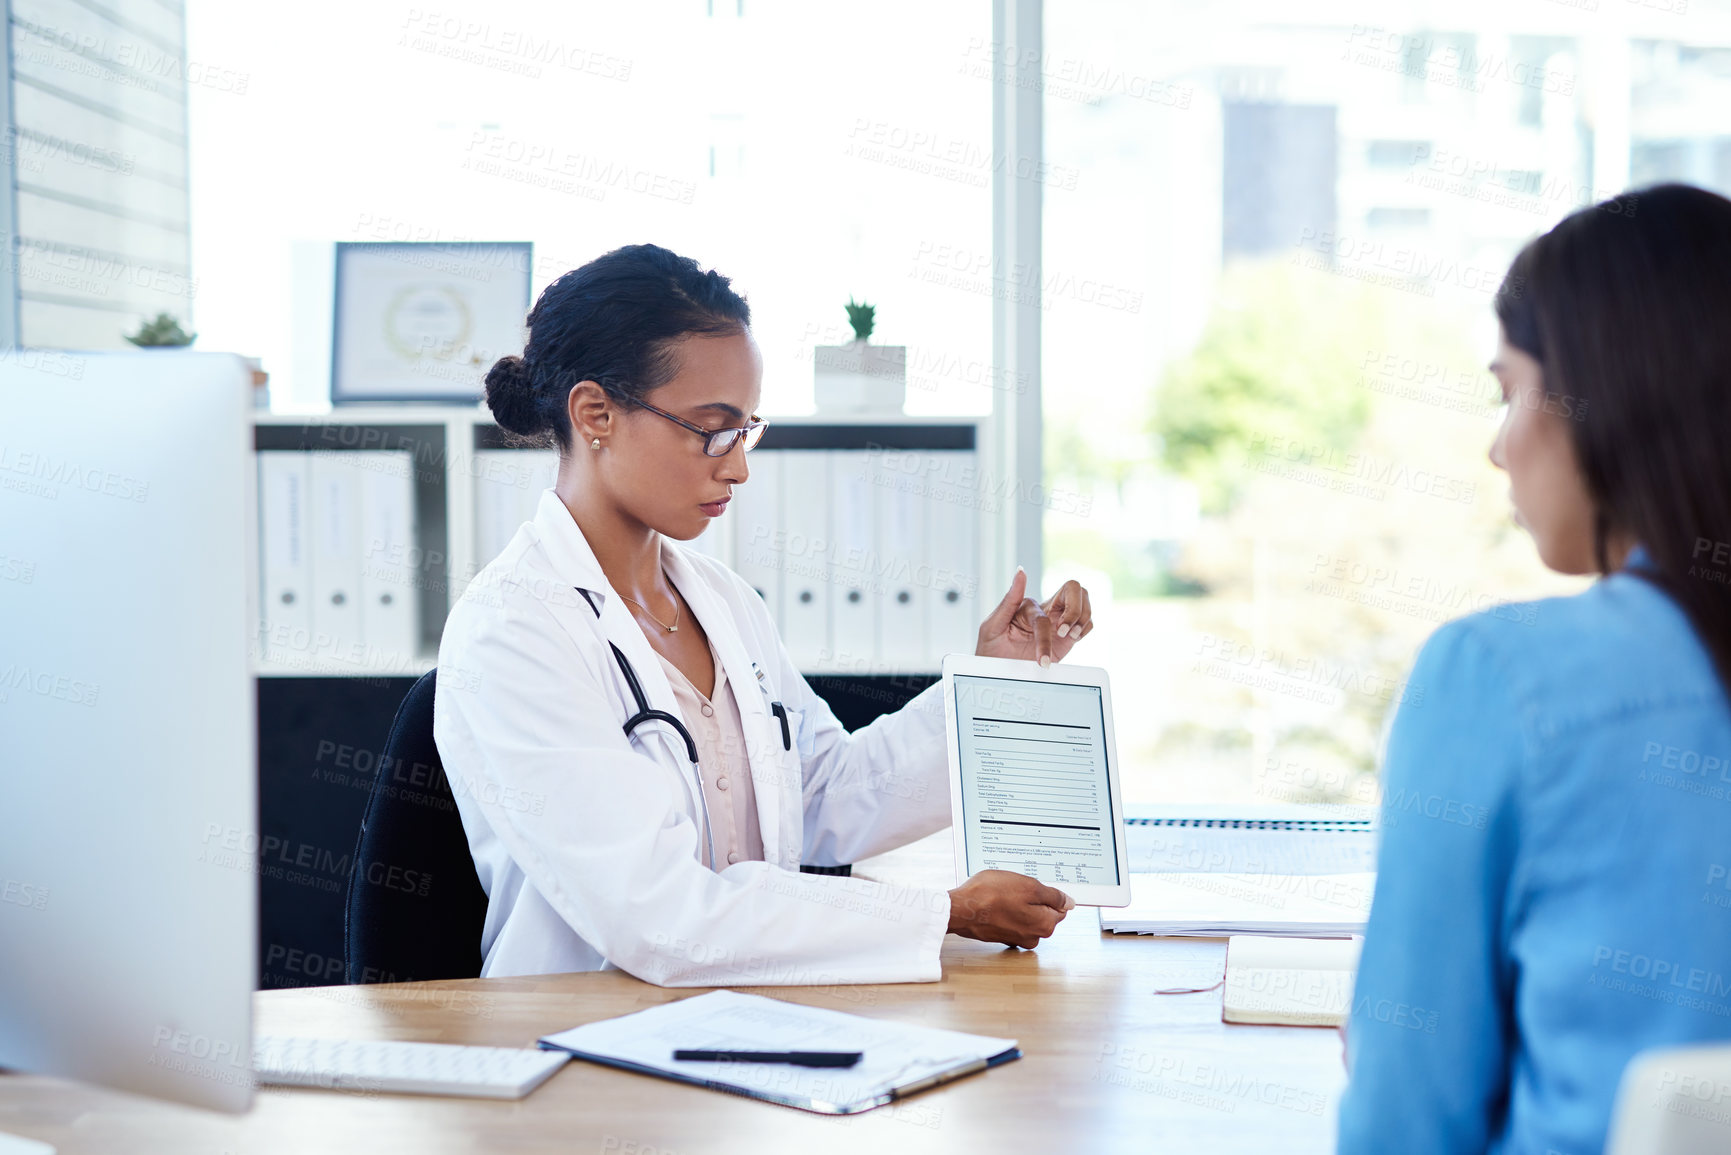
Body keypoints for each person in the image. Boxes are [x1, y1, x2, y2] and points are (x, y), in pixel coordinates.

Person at [434, 243, 1093, 986]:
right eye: (710, 428)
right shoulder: (513, 630)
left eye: (746, 429)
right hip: (584, 1040)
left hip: (745, 1019)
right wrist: (940, 913)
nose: (737, 464)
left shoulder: (721, 602)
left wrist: (990, 683)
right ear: (595, 414)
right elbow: (659, 917)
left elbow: (824, 796)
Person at [1337, 184, 1731, 1153]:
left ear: (1606, 401)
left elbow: (1406, 1129)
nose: (1498, 445)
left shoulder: (1499, 682)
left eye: (1509, 389)